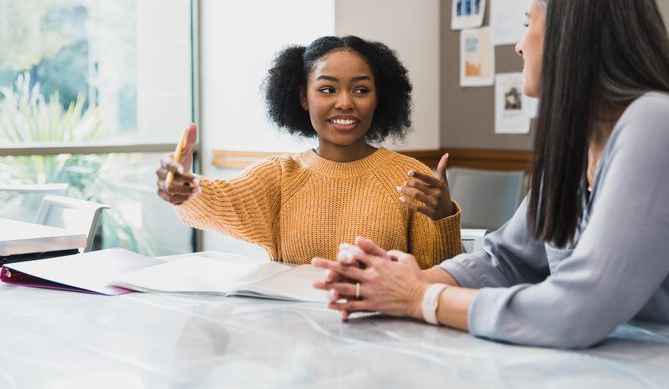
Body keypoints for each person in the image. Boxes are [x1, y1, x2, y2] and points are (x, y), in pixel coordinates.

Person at [312, 0, 669, 349]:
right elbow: (505, 260)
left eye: (528, 24)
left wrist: (419, 298)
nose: (519, 46)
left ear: (569, 36)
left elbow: (578, 310)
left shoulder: (658, 122)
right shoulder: (576, 144)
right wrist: (396, 279)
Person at [156, 35, 462, 267]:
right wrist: (185, 189)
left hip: (382, 337)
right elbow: (220, 200)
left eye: (361, 90)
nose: (345, 102)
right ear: (303, 98)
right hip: (293, 340)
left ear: (379, 98)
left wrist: (444, 217)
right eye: (327, 89)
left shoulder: (410, 178)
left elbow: (440, 278)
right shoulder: (280, 176)